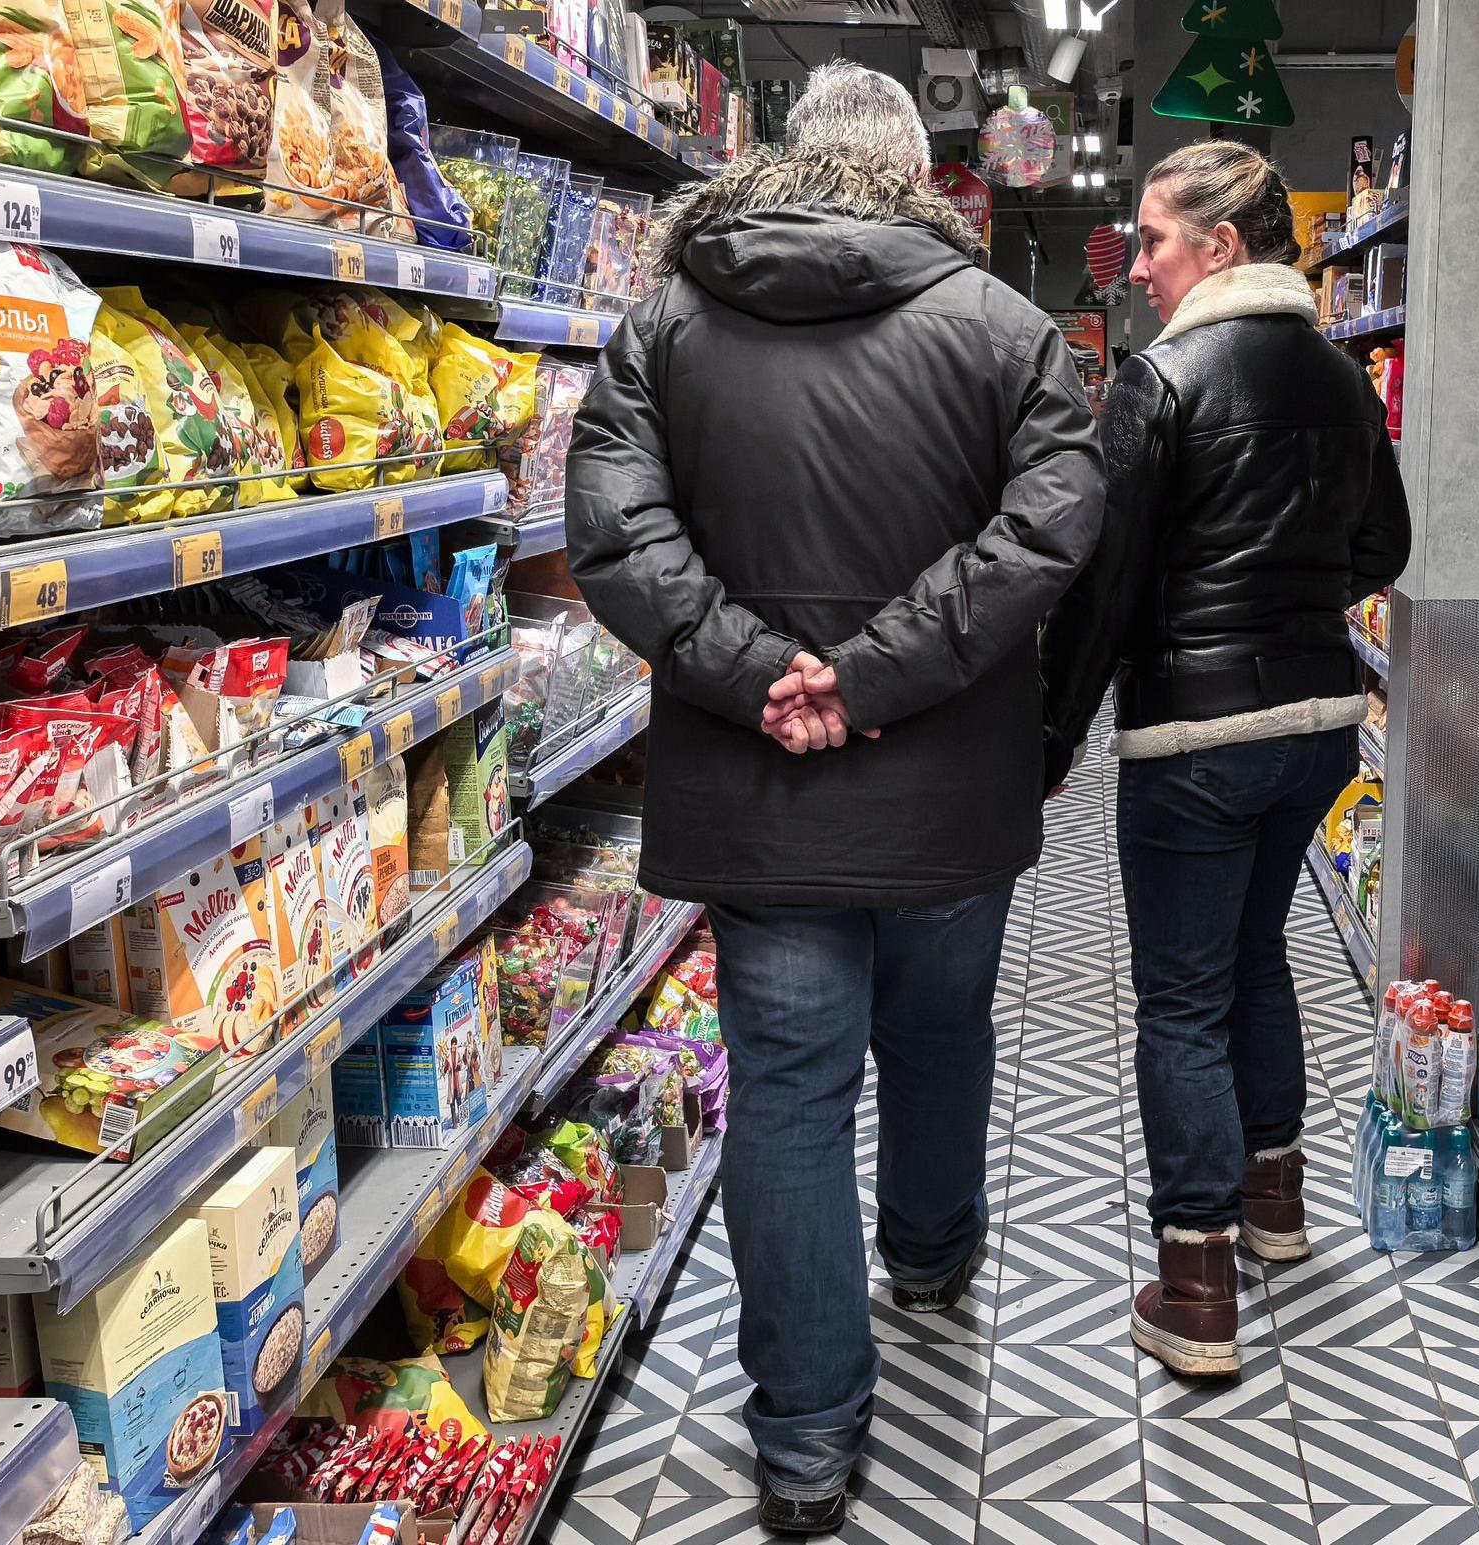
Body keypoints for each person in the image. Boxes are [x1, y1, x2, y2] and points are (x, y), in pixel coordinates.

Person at [563, 62, 1105, 1535]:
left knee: (789, 1103)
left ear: (782, 161)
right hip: (945, 797)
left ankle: (804, 1435)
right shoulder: (1003, 329)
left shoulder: (665, 322)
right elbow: (1051, 525)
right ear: (916, 173)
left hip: (763, 793)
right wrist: (874, 675)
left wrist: (763, 673)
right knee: (939, 1039)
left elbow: (611, 528)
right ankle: (929, 1253)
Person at [1040, 140, 1409, 1378]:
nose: (1135, 265)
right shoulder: (1345, 379)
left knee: (1181, 1000)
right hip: (1315, 730)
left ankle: (1196, 1282)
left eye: (1152, 240)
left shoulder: (1162, 378)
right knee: (1258, 955)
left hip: (1193, 741)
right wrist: (1296, 609)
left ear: (1223, 245)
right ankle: (1278, 1202)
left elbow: (1106, 585)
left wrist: (1050, 736)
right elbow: (1386, 547)